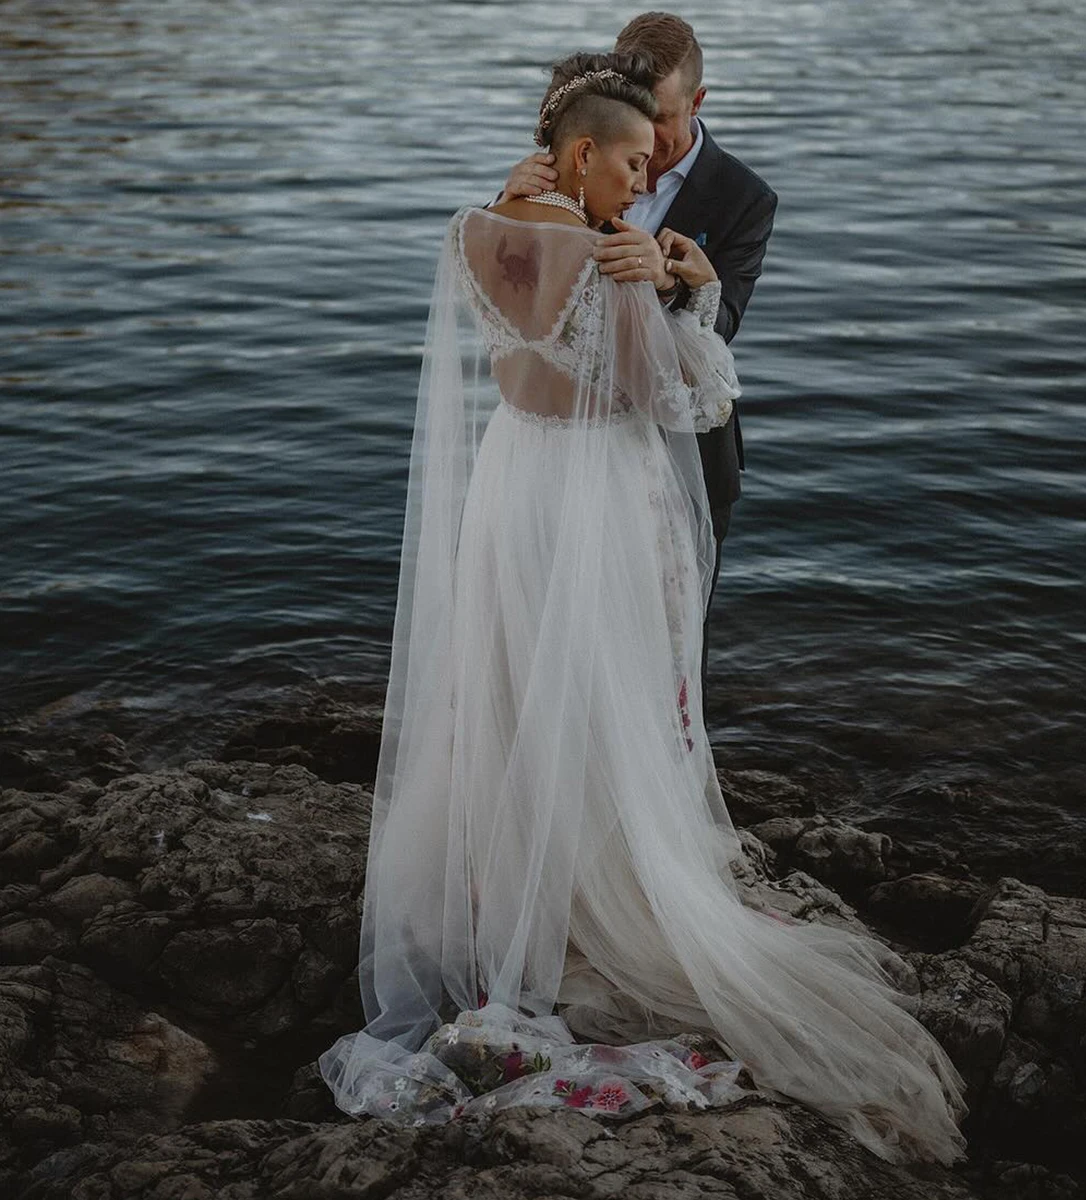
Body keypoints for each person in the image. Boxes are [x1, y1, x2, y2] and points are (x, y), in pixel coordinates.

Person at [318, 50, 967, 1167]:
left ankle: (513, 880)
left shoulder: (474, 228)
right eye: (628, 164)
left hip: (512, 481)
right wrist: (690, 291)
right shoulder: (607, 259)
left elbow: (520, 332)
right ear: (582, 154)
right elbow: (677, 395)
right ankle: (595, 894)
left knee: (513, 681)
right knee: (604, 691)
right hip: (593, 496)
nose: (644, 180)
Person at [500, 12, 778, 720]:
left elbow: (725, 322)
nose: (645, 152)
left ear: (699, 101)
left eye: (663, 121)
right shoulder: (569, 166)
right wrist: (507, 206)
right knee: (558, 632)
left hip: (687, 452)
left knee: (672, 642)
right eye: (635, 120)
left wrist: (671, 282)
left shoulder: (744, 197)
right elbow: (507, 288)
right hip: (568, 452)